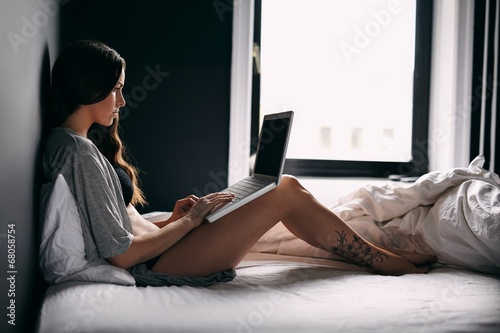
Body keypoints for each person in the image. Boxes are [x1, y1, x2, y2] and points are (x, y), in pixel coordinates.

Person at [43, 40, 434, 287]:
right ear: (88, 88)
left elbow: (117, 228)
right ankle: (388, 262)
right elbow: (122, 255)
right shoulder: (78, 153)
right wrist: (189, 223)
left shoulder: (77, 146)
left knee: (281, 191)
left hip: (163, 248)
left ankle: (382, 255)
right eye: (116, 90)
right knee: (284, 190)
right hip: (155, 266)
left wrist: (173, 219)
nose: (123, 102)